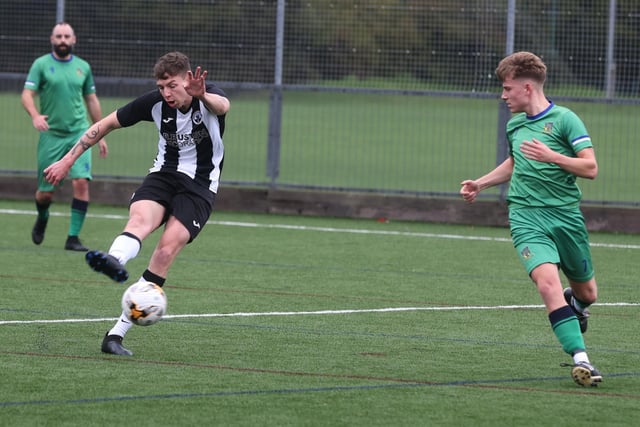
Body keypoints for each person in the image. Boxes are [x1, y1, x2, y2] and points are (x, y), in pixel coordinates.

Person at [44, 51, 230, 356]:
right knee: (139, 221)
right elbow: (104, 125)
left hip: (199, 187)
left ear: (187, 80)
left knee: (166, 250)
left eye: (172, 85)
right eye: (161, 87)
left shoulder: (209, 96)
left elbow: (224, 106)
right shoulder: (154, 104)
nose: (166, 93)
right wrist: (67, 160)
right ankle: (114, 259)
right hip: (163, 175)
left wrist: (204, 96)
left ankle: (114, 335)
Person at [460, 51, 602, 387]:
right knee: (547, 284)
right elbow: (514, 164)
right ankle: (582, 360)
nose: (503, 95)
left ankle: (577, 305)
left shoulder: (567, 120)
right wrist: (480, 182)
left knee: (589, 292)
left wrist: (552, 156)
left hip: (565, 217)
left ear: (527, 87)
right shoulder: (515, 125)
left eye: (508, 88)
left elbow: (591, 168)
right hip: (525, 217)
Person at [21, 22, 108, 251]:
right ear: (52, 39)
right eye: (58, 36)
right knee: (45, 193)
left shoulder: (83, 67)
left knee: (81, 182)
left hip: (80, 132)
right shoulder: (40, 64)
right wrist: (35, 115)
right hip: (51, 136)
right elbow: (27, 94)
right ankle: (42, 216)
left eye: (66, 36)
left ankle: (73, 238)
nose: (62, 40)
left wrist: (100, 132)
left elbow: (91, 99)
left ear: (74, 39)